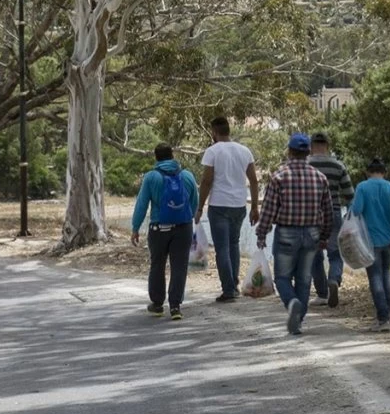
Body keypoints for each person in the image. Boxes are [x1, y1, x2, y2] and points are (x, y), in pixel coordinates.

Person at [255, 133, 334, 335]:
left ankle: (292, 302)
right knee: (304, 279)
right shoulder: (320, 178)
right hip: (312, 234)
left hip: (286, 233)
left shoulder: (279, 176)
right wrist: (324, 236)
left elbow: (269, 209)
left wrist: (262, 233)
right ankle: (298, 320)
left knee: (282, 277)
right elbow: (328, 211)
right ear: (308, 152)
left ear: (290, 151)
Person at [131, 144, 200, 321]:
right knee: (179, 267)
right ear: (172, 156)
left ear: (156, 158)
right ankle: (176, 306)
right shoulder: (187, 175)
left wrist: (135, 228)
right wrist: (187, 218)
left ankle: (157, 304)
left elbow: (142, 204)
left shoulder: (151, 177)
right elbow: (195, 200)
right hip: (183, 229)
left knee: (157, 265)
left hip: (158, 228)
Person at [196, 117, 260, 303]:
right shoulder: (244, 151)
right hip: (239, 205)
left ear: (214, 132)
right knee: (233, 245)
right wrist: (254, 207)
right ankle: (234, 284)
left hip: (219, 205)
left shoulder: (212, 152)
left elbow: (207, 181)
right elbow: (254, 180)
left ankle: (228, 289)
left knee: (222, 248)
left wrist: (200, 207)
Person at [349, 158, 390, 332]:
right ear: (385, 172)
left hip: (370, 241)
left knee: (375, 277)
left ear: (368, 172)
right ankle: (389, 314)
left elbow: (356, 210)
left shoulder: (362, 187)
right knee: (386, 275)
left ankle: (382, 319)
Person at [307, 132, 354, 308]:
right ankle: (334, 279)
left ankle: (322, 294)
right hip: (333, 213)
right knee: (335, 253)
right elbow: (349, 195)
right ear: (328, 145)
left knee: (314, 255)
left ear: (311, 146)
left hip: (310, 216)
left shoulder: (306, 165)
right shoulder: (338, 166)